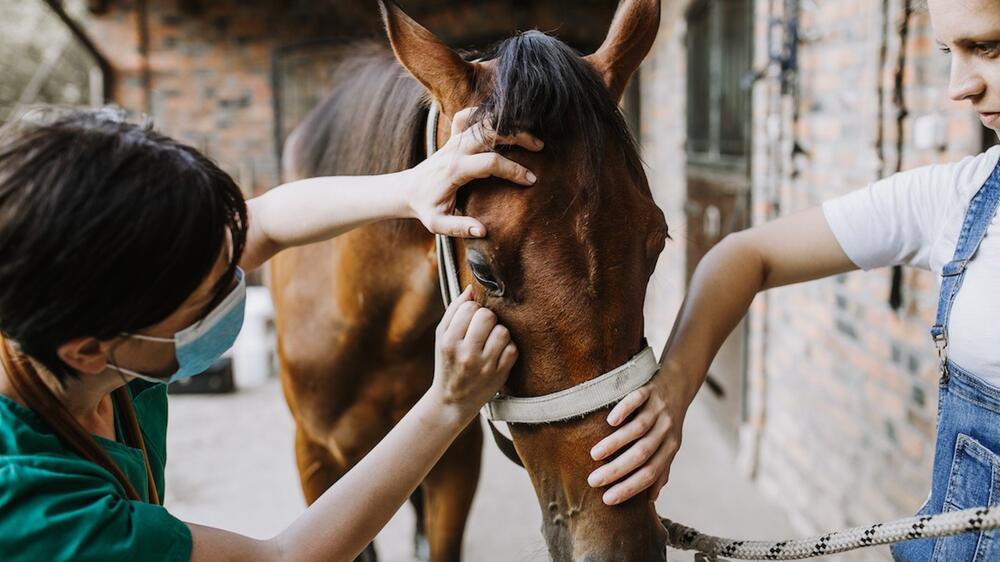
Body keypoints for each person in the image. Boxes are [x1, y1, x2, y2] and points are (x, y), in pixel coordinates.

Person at [0, 106, 541, 561]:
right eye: (205, 297)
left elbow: (264, 223)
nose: (234, 284)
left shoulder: (76, 325)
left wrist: (411, 188)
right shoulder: (46, 513)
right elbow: (283, 558)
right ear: (91, 350)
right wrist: (448, 402)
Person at [590, 0, 1000, 559]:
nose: (960, 87)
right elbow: (745, 254)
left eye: (990, 48)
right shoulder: (955, 198)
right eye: (950, 52)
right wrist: (672, 392)